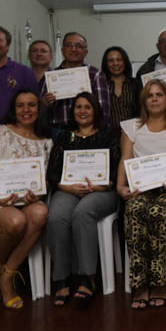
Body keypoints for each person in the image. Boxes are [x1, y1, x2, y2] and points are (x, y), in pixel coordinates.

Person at [0, 89, 52, 309]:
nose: (26, 110)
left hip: (24, 201)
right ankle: (4, 275)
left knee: (40, 212)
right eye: (21, 105)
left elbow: (41, 183)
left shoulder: (46, 143)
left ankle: (5, 274)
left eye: (31, 105)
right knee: (15, 221)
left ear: (39, 108)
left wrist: (37, 195)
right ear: (13, 110)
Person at [117, 79, 166, 309]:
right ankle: (140, 283)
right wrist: (120, 187)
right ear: (144, 101)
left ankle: (159, 281)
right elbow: (125, 158)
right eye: (150, 96)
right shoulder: (132, 127)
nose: (155, 99)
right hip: (142, 188)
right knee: (135, 209)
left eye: (159, 95)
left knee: (158, 211)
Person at [46, 92, 120, 306]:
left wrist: (99, 185)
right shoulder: (64, 136)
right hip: (68, 189)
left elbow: (116, 171)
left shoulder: (109, 135)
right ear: (73, 111)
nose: (83, 111)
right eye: (78, 107)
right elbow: (52, 172)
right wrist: (66, 186)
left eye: (87, 107)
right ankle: (61, 278)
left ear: (95, 110)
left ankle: (87, 277)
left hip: (102, 190)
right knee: (56, 216)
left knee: (82, 212)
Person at [43, 32, 110, 137]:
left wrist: (100, 135)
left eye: (78, 46)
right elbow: (40, 109)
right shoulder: (51, 76)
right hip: (58, 131)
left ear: (85, 52)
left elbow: (103, 110)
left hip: (89, 132)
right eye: (69, 45)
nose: (73, 49)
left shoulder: (95, 74)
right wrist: (45, 103)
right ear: (62, 50)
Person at [101, 46, 140, 133]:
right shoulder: (102, 86)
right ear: (106, 64)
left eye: (119, 60)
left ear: (125, 62)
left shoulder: (136, 84)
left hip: (134, 134)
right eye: (111, 60)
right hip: (108, 135)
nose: (115, 63)